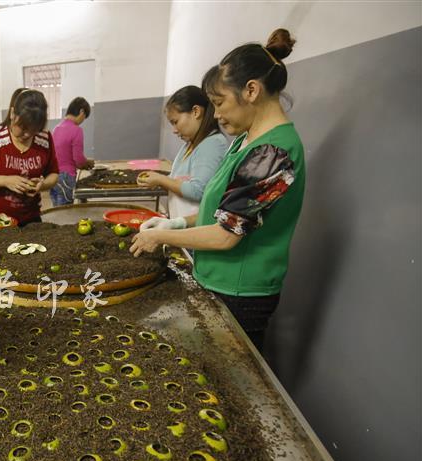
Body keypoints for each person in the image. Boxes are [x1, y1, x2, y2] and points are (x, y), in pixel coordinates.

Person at [131, 29, 305, 351]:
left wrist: (160, 237)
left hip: (240, 293)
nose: (218, 114)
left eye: (220, 103)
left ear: (251, 90)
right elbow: (224, 210)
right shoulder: (246, 140)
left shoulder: (273, 153)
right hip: (217, 279)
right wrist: (178, 223)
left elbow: (226, 235)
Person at [0, 89, 59, 225]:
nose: (27, 135)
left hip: (31, 219)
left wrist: (42, 185)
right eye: (23, 127)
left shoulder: (44, 138)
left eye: (33, 130)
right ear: (12, 113)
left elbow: (54, 174)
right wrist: (6, 180)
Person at [137, 86, 228, 219]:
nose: (174, 130)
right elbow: (179, 181)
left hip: (196, 230)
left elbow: (198, 191)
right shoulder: (189, 145)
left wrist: (161, 179)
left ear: (196, 112)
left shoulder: (212, 144)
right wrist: (157, 181)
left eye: (175, 122)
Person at [50, 97, 95, 206]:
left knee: (56, 211)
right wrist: (87, 163)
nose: (82, 121)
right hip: (66, 177)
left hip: (53, 176)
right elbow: (78, 160)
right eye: (84, 117)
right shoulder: (76, 130)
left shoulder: (56, 128)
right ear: (81, 112)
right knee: (65, 213)